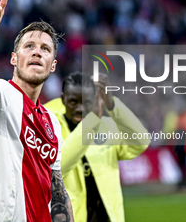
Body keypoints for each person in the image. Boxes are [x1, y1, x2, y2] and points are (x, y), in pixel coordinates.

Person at [0, 0, 74, 222]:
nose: (37, 52)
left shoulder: (52, 122)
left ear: (53, 66)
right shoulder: (0, 95)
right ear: (13, 59)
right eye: (29, 46)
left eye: (45, 49)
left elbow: (58, 191)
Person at [44, 72, 150, 222]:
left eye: (86, 102)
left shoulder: (106, 126)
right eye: (74, 102)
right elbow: (58, 168)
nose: (80, 108)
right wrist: (91, 122)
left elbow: (141, 141)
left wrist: (112, 104)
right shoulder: (50, 127)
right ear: (63, 99)